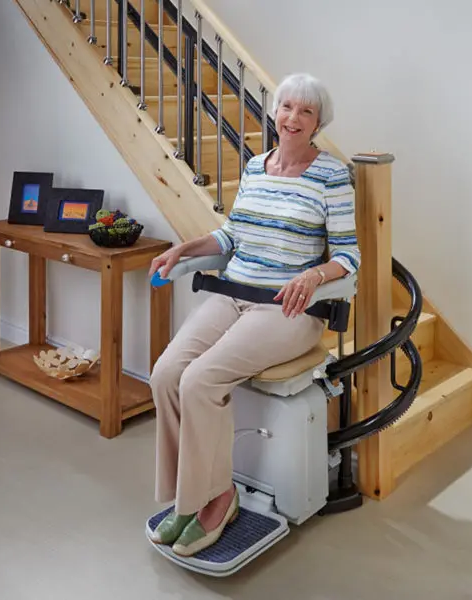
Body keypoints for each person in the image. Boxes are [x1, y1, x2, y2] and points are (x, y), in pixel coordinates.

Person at [146, 73, 360, 557]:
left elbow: (348, 255)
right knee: (165, 374)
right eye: (287, 107)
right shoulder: (256, 165)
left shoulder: (331, 176)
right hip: (234, 294)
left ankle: (218, 498)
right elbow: (230, 236)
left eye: (306, 112)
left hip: (289, 308)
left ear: (318, 123)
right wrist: (183, 249)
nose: (293, 118)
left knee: (201, 380)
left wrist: (313, 276)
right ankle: (190, 496)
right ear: (275, 112)